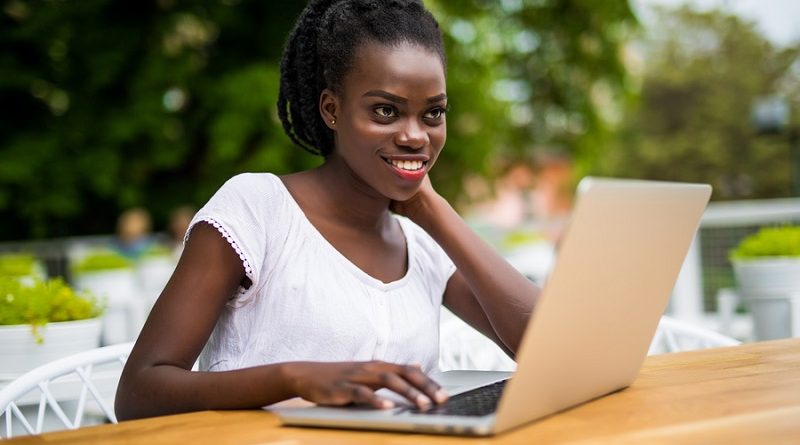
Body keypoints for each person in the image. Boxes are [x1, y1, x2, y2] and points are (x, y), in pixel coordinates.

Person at [115, 0, 539, 420]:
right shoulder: (258, 210)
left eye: (433, 113)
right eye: (385, 111)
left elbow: (548, 349)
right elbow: (140, 391)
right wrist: (294, 378)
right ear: (332, 109)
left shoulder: (424, 245)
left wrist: (432, 208)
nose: (415, 136)